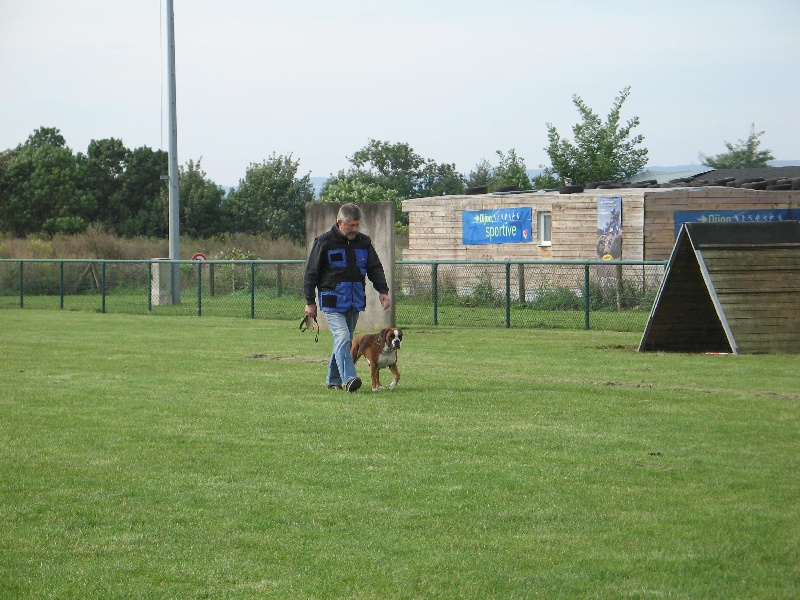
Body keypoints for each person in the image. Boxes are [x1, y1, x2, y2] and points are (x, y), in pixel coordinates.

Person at [303, 203, 391, 392]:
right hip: (332, 301)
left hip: (354, 301)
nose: (355, 229)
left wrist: (383, 291)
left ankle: (333, 380)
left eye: (357, 225)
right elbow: (311, 273)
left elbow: (374, 268)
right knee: (343, 338)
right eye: (351, 225)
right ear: (339, 223)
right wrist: (310, 302)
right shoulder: (324, 242)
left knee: (342, 342)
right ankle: (350, 378)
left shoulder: (364, 242)